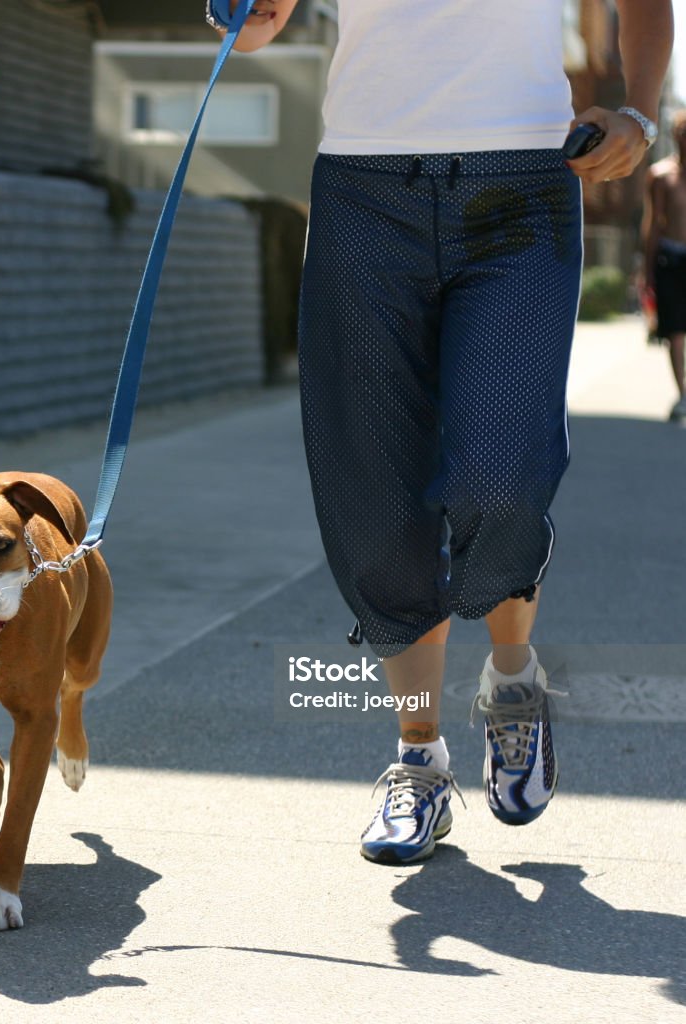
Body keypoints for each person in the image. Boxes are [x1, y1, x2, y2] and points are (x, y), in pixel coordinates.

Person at [218, 0, 672, 863]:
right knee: (377, 498)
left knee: (500, 473)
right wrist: (244, 15)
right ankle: (419, 761)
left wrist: (641, 112)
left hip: (524, 187)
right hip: (362, 191)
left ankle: (512, 683)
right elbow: (261, 20)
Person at [642, 108, 686, 421]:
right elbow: (654, 223)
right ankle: (682, 394)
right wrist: (645, 270)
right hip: (671, 258)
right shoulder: (661, 175)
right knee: (676, 330)